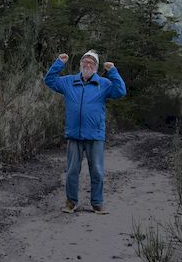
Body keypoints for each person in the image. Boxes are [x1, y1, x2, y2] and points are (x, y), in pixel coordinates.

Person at [43, 49, 126, 214]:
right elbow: (49, 80)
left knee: (97, 171)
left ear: (96, 67)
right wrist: (59, 62)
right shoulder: (69, 82)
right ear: (80, 64)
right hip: (74, 135)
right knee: (72, 171)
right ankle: (71, 202)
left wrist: (113, 71)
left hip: (95, 136)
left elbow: (121, 91)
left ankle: (97, 204)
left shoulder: (103, 84)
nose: (88, 65)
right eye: (85, 62)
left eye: (91, 63)